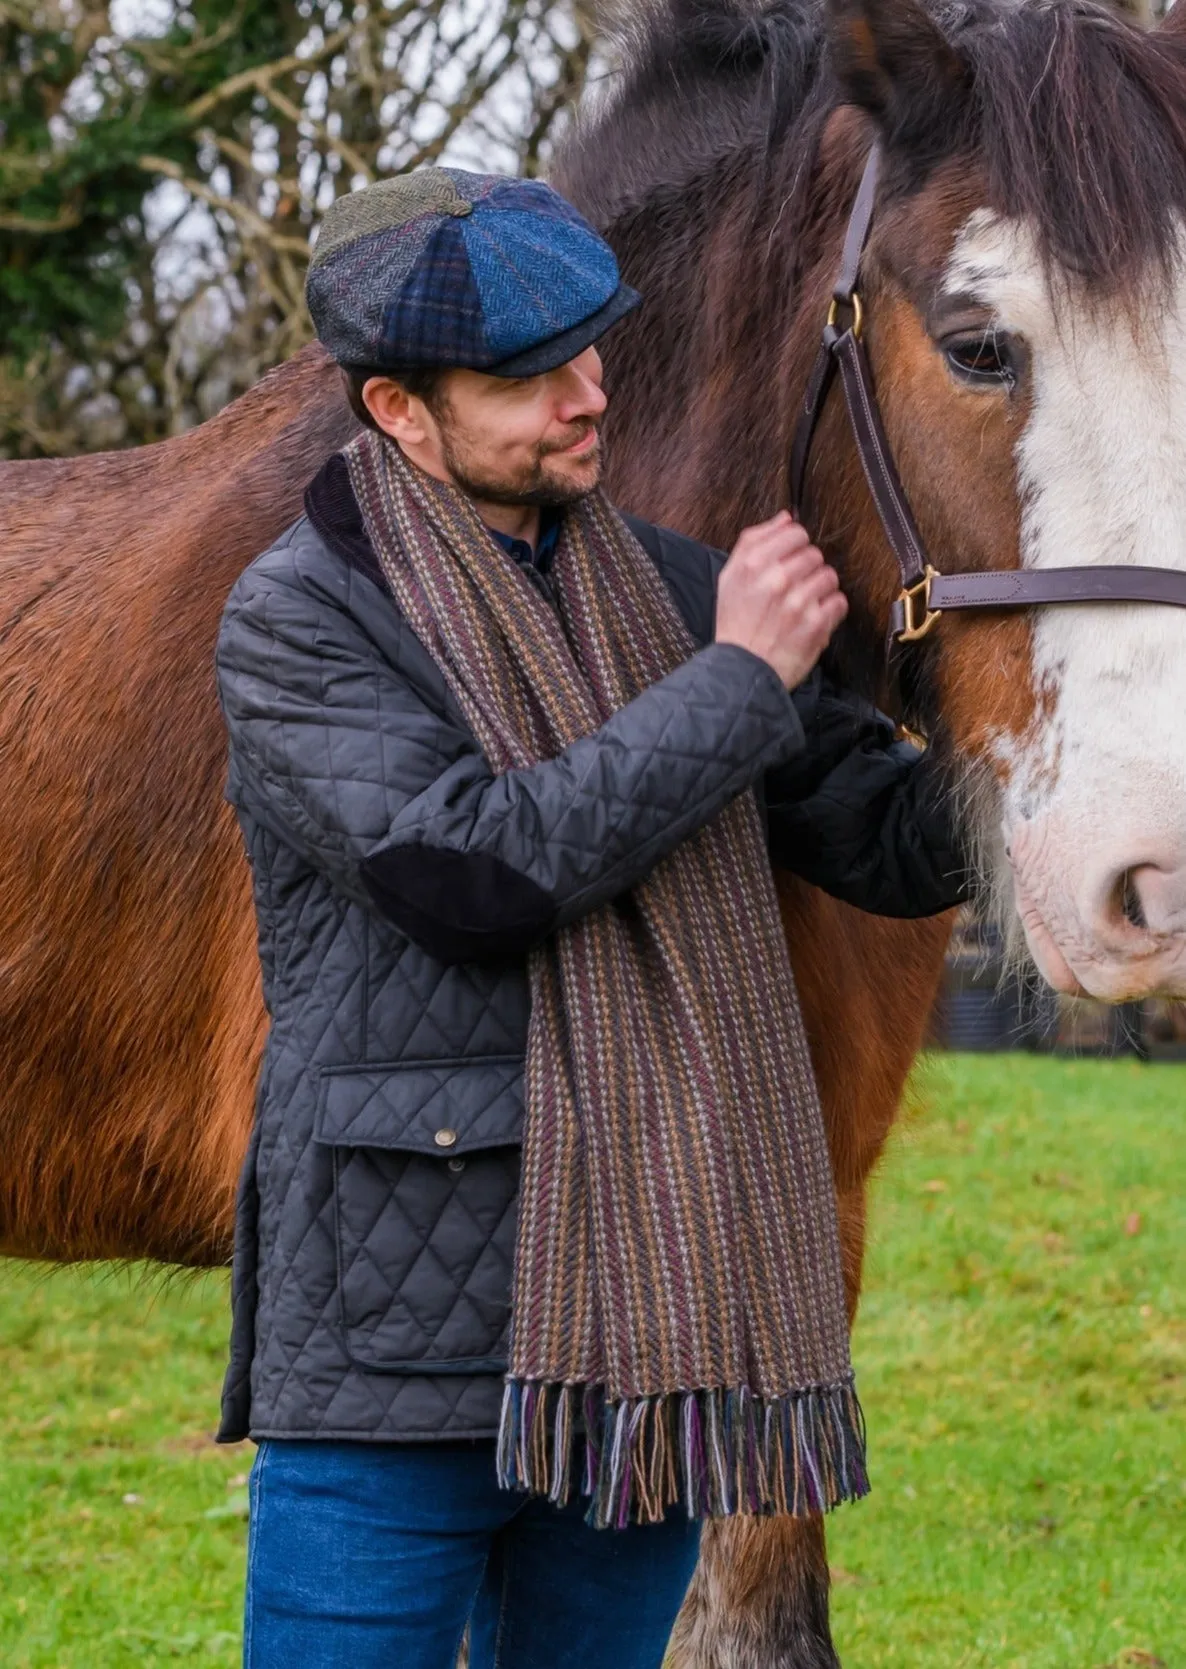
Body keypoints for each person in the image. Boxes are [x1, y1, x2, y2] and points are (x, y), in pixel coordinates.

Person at [213, 166, 967, 1669]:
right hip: (395, 1359)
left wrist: (1068, 757)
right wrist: (740, 682)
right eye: (523, 376)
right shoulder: (298, 618)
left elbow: (879, 838)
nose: (582, 395)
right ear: (398, 415)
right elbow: (472, 875)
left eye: (587, 350)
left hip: (646, 1339)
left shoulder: (674, 597)